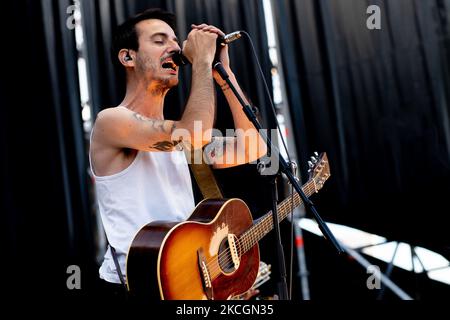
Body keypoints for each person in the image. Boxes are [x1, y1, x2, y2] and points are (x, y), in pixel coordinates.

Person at [89, 8, 266, 301]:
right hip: (136, 286)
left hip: (182, 284)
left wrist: (224, 75)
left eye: (175, 41)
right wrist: (201, 61)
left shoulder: (179, 140)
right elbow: (194, 131)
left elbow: (254, 148)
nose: (174, 47)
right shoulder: (111, 121)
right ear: (128, 57)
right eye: (159, 41)